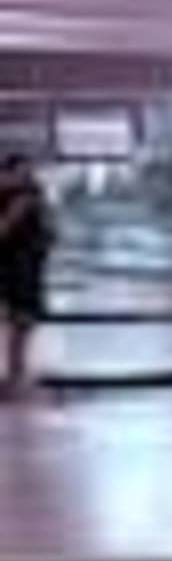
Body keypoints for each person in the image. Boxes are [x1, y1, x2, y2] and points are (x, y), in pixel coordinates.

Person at [0, 152, 51, 396]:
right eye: (21, 170)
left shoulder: (31, 196)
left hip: (29, 266)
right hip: (18, 268)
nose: (26, 175)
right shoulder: (20, 198)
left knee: (24, 324)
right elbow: (5, 229)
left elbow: (48, 227)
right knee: (19, 322)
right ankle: (14, 377)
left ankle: (17, 374)